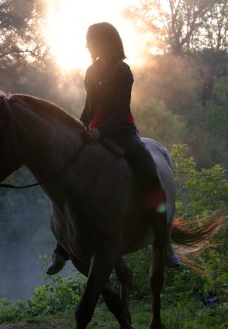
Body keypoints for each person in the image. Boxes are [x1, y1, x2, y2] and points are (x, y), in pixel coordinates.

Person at [46, 22, 181, 275]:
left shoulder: (123, 70)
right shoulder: (92, 70)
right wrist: (78, 129)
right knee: (68, 179)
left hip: (122, 133)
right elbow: (88, 108)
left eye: (91, 41)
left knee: (151, 177)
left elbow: (122, 111)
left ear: (105, 42)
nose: (87, 45)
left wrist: (101, 131)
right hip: (94, 133)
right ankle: (63, 245)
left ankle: (164, 243)